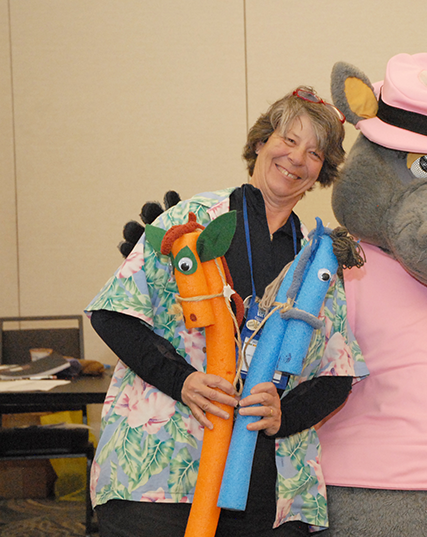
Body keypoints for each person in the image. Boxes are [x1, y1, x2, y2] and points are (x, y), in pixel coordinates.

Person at [86, 86, 367, 537]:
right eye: (288, 141)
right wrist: (185, 380)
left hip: (266, 489)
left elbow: (337, 373)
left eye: (314, 153)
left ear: (320, 172)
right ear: (260, 143)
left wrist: (284, 416)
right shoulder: (193, 221)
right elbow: (114, 314)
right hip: (162, 474)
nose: (297, 158)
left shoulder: (319, 259)